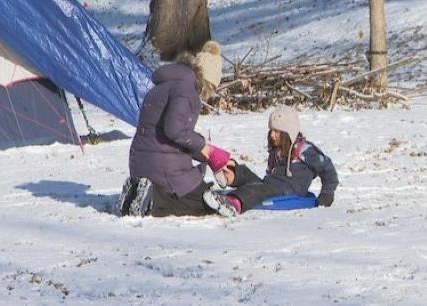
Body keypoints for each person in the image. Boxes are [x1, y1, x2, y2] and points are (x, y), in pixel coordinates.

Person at [116, 40, 231, 217]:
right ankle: (152, 203)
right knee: (201, 203)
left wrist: (204, 151)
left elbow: (170, 133)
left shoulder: (163, 86)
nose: (207, 95)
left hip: (140, 162)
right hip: (163, 168)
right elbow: (175, 130)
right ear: (207, 81)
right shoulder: (186, 90)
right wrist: (204, 147)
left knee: (190, 192)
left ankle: (139, 192)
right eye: (211, 89)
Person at [203, 106, 339, 217]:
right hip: (271, 185)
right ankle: (229, 175)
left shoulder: (305, 150)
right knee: (245, 173)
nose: (273, 135)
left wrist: (327, 194)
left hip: (290, 190)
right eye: (272, 130)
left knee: (256, 189)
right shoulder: (278, 149)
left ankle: (233, 204)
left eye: (277, 131)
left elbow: (329, 171)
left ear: (289, 132)